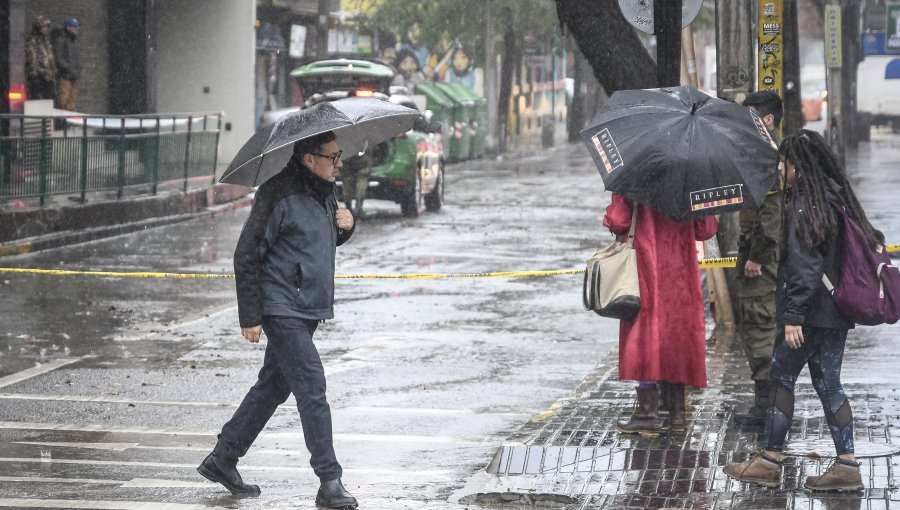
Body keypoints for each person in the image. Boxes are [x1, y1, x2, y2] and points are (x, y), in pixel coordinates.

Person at [198, 131, 358, 509]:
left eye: (340, 156)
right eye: (332, 156)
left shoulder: (325, 191)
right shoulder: (278, 192)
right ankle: (329, 480)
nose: (339, 163)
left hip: (306, 306)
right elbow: (247, 254)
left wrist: (345, 228)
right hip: (281, 306)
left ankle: (223, 458)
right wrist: (251, 315)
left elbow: (315, 242)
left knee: (274, 386)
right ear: (308, 158)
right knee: (312, 385)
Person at [724, 130, 884, 491]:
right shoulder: (833, 196)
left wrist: (794, 315)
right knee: (829, 384)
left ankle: (769, 460)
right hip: (834, 312)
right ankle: (847, 464)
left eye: (784, 162)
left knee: (781, 376)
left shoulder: (803, 204)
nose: (780, 168)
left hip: (810, 313)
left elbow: (806, 265)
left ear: (798, 165)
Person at [604, 194, 718, 435]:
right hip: (681, 273)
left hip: (646, 268)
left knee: (645, 335)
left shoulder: (634, 177)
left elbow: (618, 221)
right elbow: (706, 228)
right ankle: (677, 413)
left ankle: (647, 413)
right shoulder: (693, 179)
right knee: (677, 335)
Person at [732, 91, 784, 427]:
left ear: (767, 120)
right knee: (757, 325)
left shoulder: (769, 156)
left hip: (763, 261)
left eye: (752, 117)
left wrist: (758, 258)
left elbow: (772, 215)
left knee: (761, 324)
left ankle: (767, 408)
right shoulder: (763, 153)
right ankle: (766, 404)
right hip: (759, 255)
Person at [25, 16, 57, 101]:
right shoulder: (32, 40)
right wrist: (34, 75)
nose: (46, 29)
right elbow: (32, 58)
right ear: (38, 27)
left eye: (47, 27)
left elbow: (50, 57)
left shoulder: (46, 40)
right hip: (39, 76)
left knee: (50, 99)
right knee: (37, 99)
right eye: (44, 26)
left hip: (48, 76)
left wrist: (53, 71)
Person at [52, 18, 81, 111]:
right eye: (74, 26)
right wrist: (68, 68)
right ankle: (63, 123)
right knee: (63, 101)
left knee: (72, 101)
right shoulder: (61, 40)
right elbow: (58, 58)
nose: (77, 29)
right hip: (64, 76)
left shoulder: (71, 41)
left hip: (72, 75)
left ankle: (69, 122)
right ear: (68, 27)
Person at [340, 151, 371, 219]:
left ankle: (358, 209)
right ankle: (349, 208)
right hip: (348, 168)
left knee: (361, 189)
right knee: (347, 191)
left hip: (362, 169)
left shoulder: (362, 145)